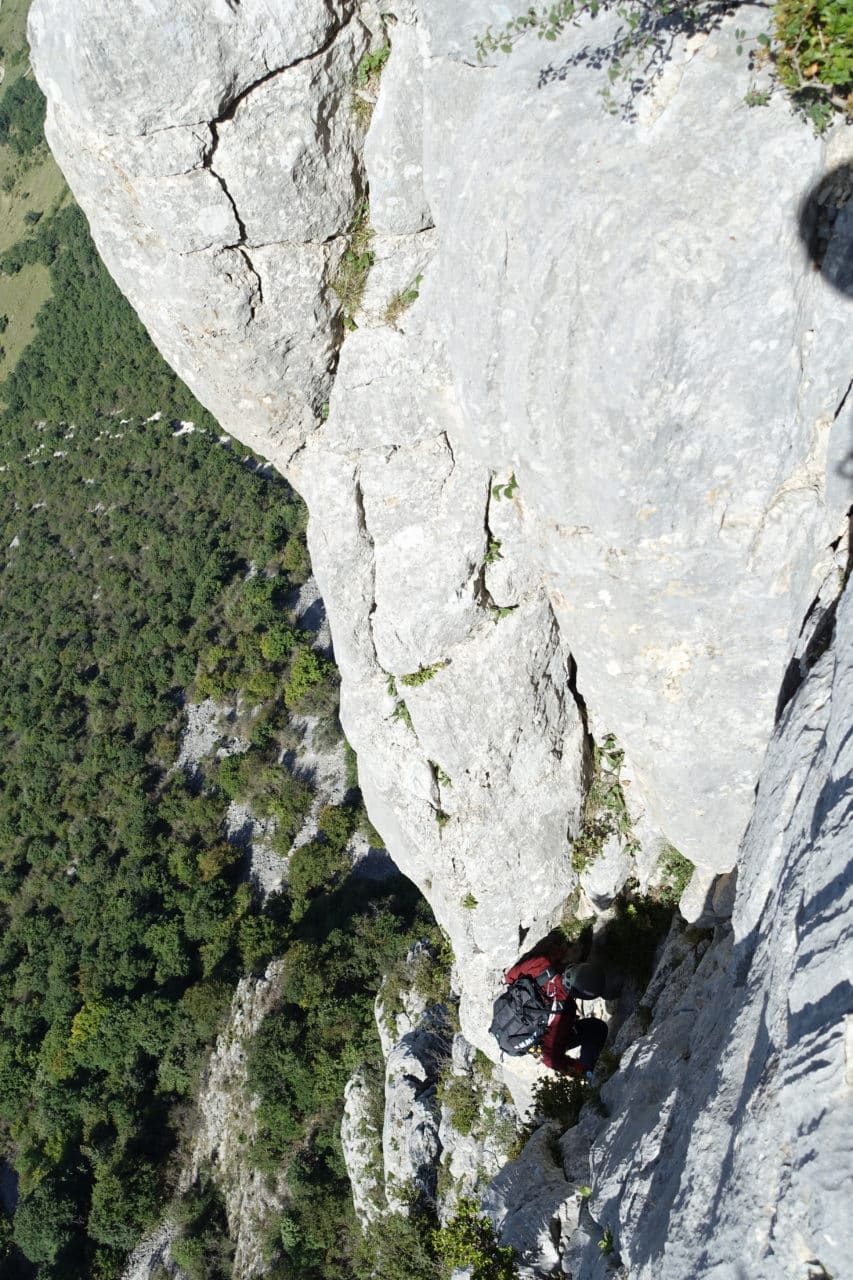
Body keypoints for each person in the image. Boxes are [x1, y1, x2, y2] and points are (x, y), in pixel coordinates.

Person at [503, 953, 608, 1077]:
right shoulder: (563, 1014)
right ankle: (590, 1073)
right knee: (597, 1028)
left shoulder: (541, 964)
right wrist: (579, 1069)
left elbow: (509, 977)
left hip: (507, 1016)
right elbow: (550, 1058)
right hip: (535, 1037)